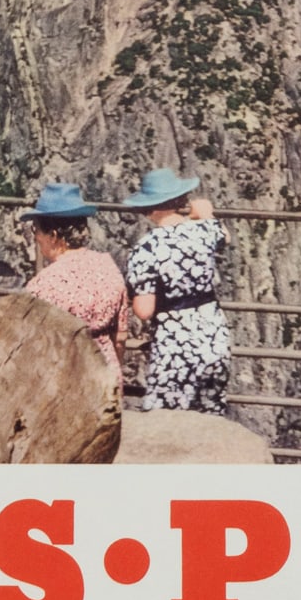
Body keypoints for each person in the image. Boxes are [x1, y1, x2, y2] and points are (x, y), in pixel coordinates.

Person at [124, 167, 231, 415]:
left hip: (176, 342)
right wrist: (205, 213)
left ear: (148, 208)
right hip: (213, 334)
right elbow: (224, 236)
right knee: (209, 413)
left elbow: (143, 310)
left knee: (165, 416)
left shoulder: (146, 249)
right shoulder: (204, 232)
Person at [20, 181, 129, 384]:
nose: (35, 237)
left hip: (67, 379)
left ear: (53, 236)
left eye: (37, 230)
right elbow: (120, 338)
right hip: (106, 375)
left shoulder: (42, 286)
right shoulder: (107, 266)